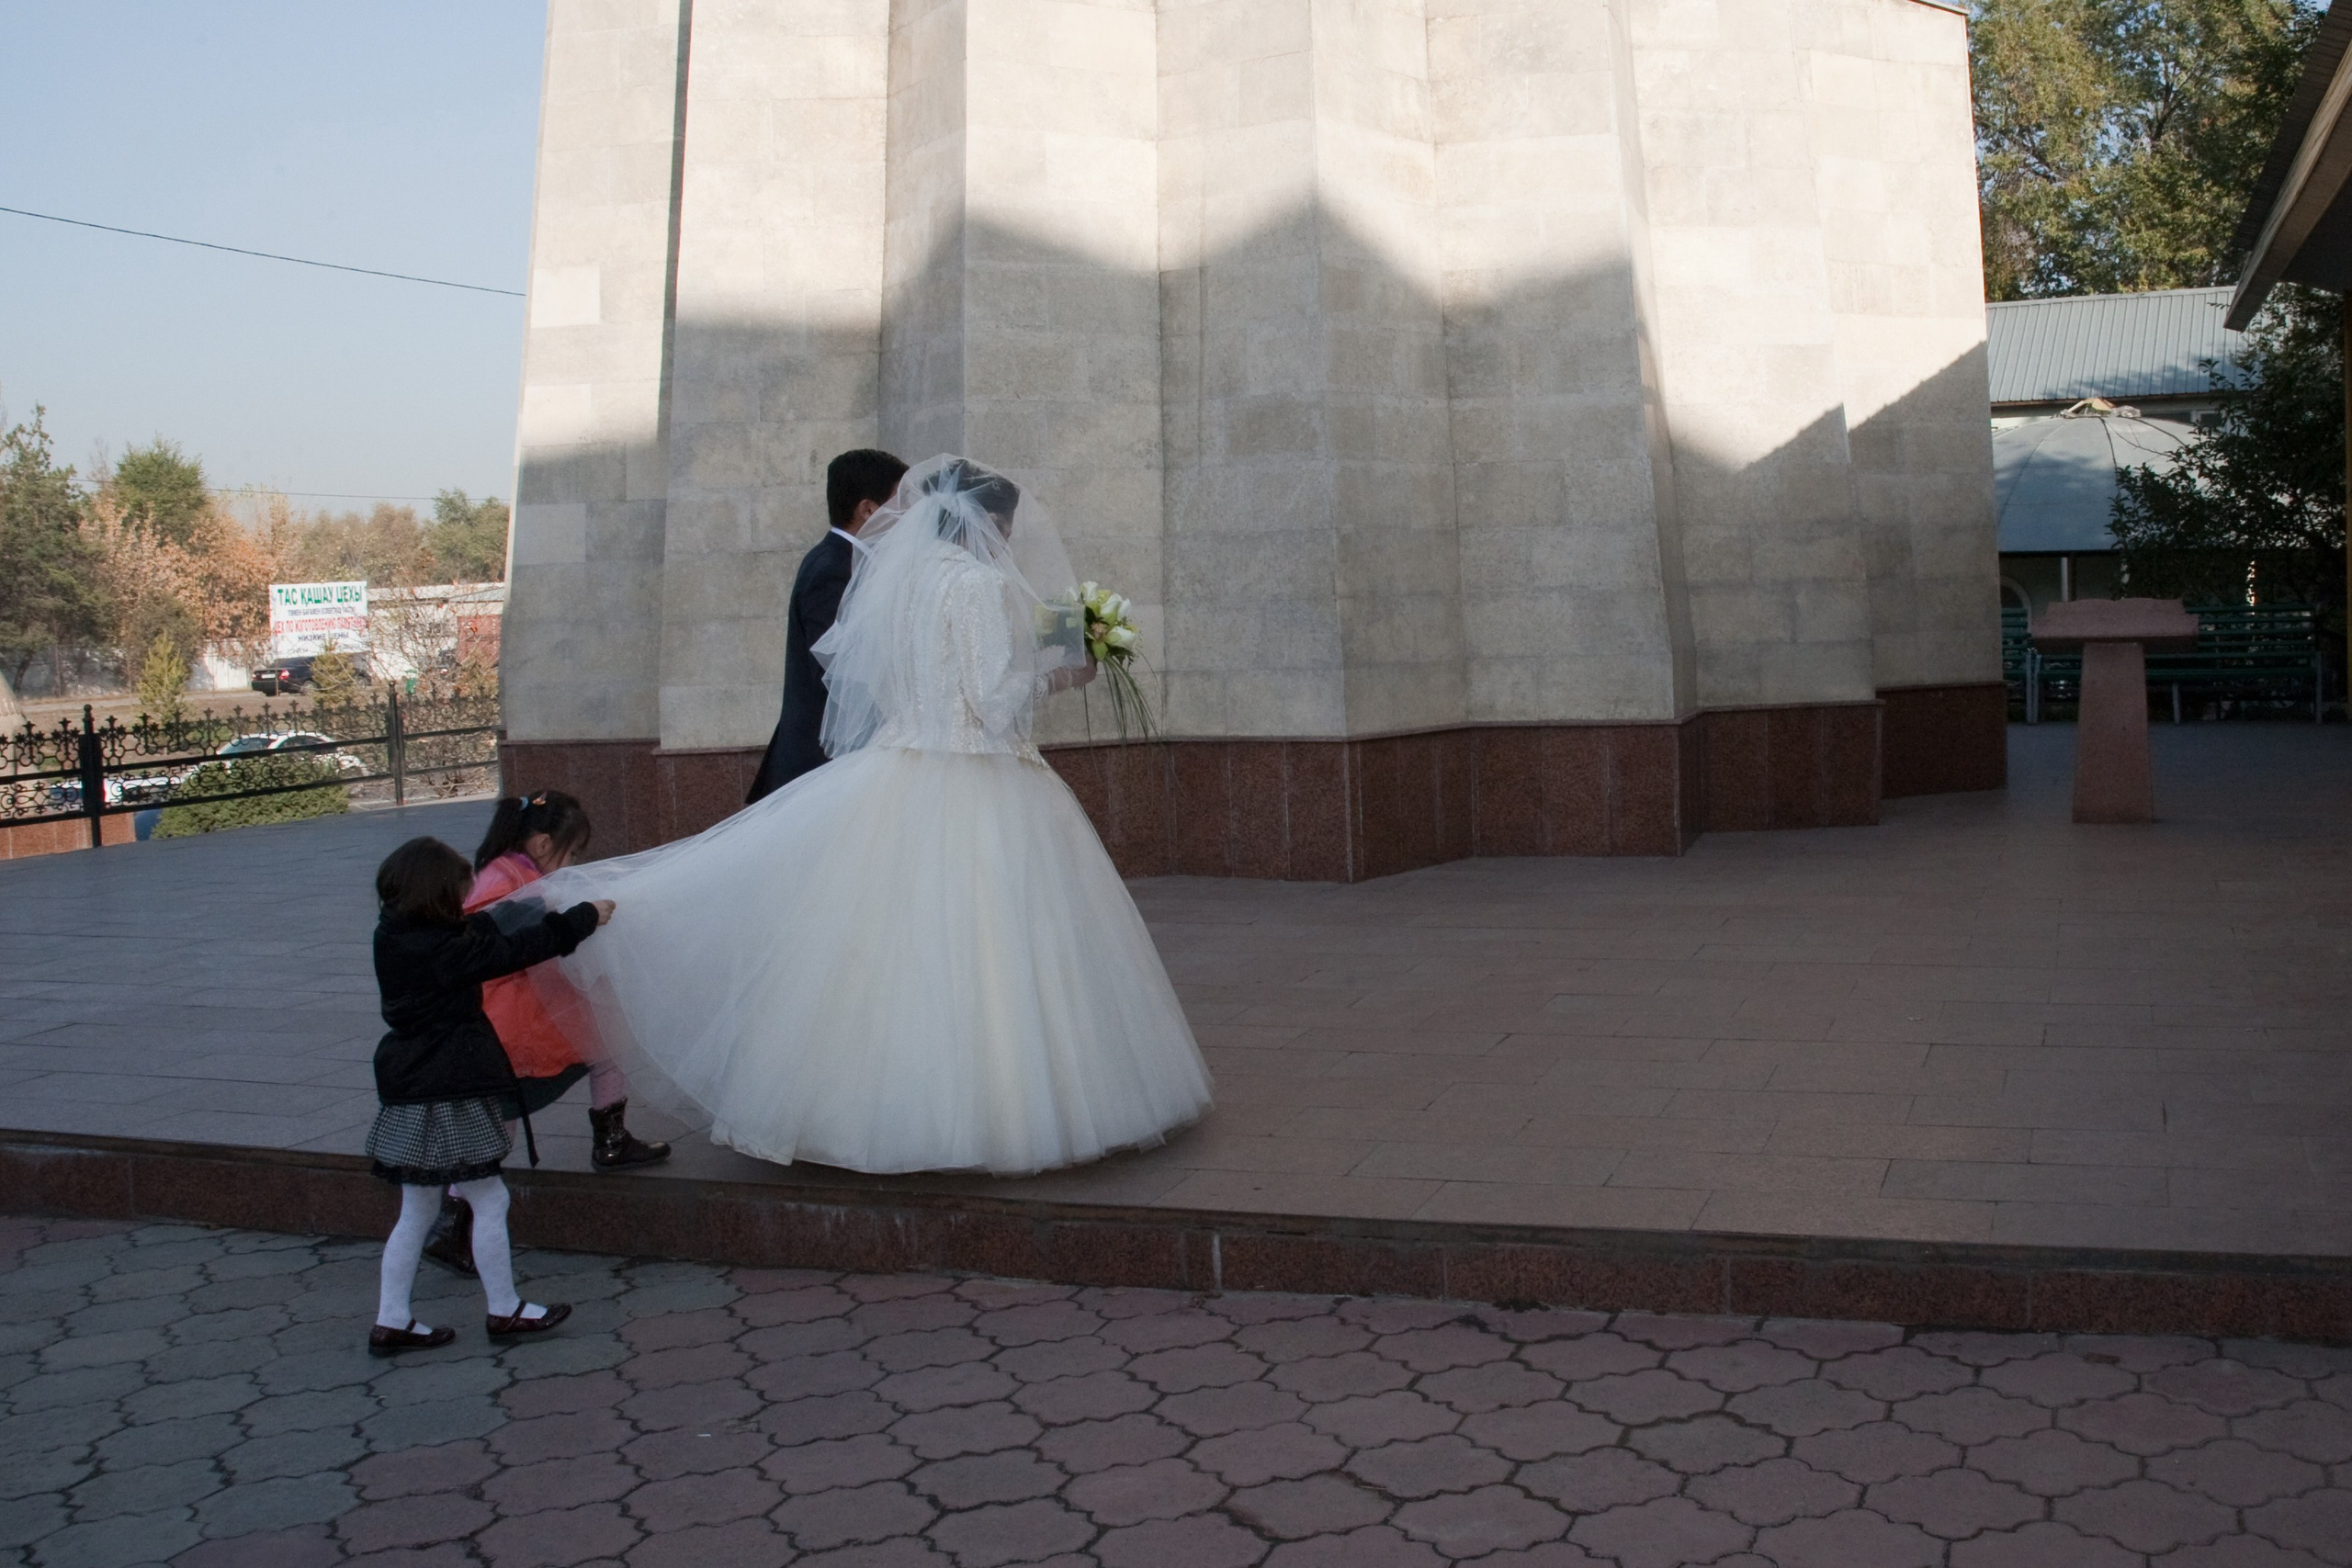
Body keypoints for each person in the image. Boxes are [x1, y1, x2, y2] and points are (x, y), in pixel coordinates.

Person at [534, 456, 1212, 1176]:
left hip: (899, 766)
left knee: (875, 952)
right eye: (1006, 529)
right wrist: (1062, 672)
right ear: (988, 522)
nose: (1008, 544)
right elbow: (987, 706)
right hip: (975, 783)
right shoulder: (978, 585)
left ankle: (845, 1112)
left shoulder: (897, 583)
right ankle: (997, 1116)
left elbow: (885, 684)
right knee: (992, 947)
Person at [364, 835, 612, 1355]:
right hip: (448, 1084)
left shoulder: (394, 933)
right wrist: (582, 919)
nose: (463, 900)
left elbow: (479, 930)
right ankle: (505, 1310)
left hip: (409, 1082)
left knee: (416, 1208)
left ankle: (392, 1319)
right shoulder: (445, 950)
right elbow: (509, 951)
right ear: (437, 896)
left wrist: (523, 907)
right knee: (489, 1196)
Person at [418, 792, 671, 1277]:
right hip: (511, 1014)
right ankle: (455, 1222)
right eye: (571, 853)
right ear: (540, 842)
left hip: (525, 1003)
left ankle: (611, 1140)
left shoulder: (509, 870)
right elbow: (521, 934)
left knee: (604, 1043)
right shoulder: (503, 881)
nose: (573, 862)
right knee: (505, 1112)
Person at [746, 447, 910, 803]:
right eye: (900, 504)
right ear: (868, 509)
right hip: (820, 765)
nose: (909, 515)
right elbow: (838, 671)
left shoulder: (848, 562)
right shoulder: (833, 569)